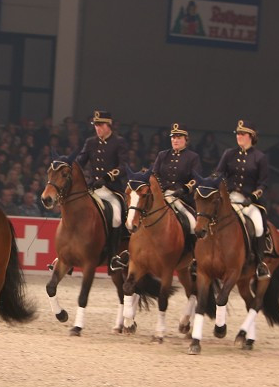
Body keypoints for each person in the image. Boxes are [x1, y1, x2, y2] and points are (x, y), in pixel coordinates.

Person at [116, 122, 204, 270]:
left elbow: (196, 179)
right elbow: (154, 175)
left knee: (191, 222)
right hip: (161, 196)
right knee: (138, 215)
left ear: (186, 139)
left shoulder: (192, 157)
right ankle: (128, 253)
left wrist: (184, 189)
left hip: (181, 198)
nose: (175, 140)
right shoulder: (163, 155)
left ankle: (194, 258)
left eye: (179, 137)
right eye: (173, 137)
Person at [208, 119, 271, 278]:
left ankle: (259, 262)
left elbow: (263, 184)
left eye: (242, 134)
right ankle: (198, 258)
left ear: (251, 136)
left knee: (258, 226)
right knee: (206, 218)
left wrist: (252, 197)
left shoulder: (260, 157)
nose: (239, 136)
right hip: (228, 198)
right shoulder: (229, 153)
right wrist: (212, 181)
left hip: (247, 201)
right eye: (237, 133)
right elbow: (219, 173)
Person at [74, 109, 130, 270]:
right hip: (93, 188)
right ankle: (68, 253)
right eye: (96, 125)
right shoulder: (90, 142)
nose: (97, 128)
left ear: (108, 125)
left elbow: (123, 166)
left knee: (117, 218)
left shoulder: (119, 142)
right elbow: (80, 162)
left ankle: (113, 256)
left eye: (100, 125)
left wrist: (107, 177)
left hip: (111, 189)